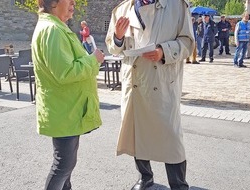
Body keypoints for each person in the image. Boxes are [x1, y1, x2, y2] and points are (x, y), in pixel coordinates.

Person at [105, 0, 194, 190]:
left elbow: (188, 42)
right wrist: (118, 37)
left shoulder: (177, 6)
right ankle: (145, 177)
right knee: (138, 132)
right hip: (135, 82)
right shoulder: (122, 10)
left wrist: (164, 51)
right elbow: (113, 48)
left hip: (161, 81)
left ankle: (178, 184)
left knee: (171, 138)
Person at [31, 0, 104, 190]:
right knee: (63, 165)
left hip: (66, 109)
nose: (73, 3)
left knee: (66, 166)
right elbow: (65, 72)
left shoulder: (56, 27)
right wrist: (93, 60)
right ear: (53, 3)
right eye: (69, 0)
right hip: (64, 110)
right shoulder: (53, 30)